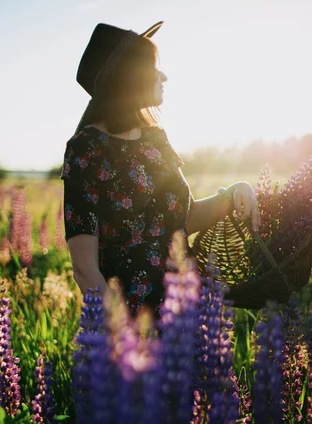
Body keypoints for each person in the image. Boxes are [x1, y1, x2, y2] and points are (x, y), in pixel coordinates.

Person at [61, 20, 260, 317]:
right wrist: (124, 336)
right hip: (131, 324)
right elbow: (84, 269)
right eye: (154, 68)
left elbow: (184, 219)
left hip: (187, 314)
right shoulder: (86, 149)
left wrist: (232, 195)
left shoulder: (156, 140)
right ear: (128, 76)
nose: (163, 76)